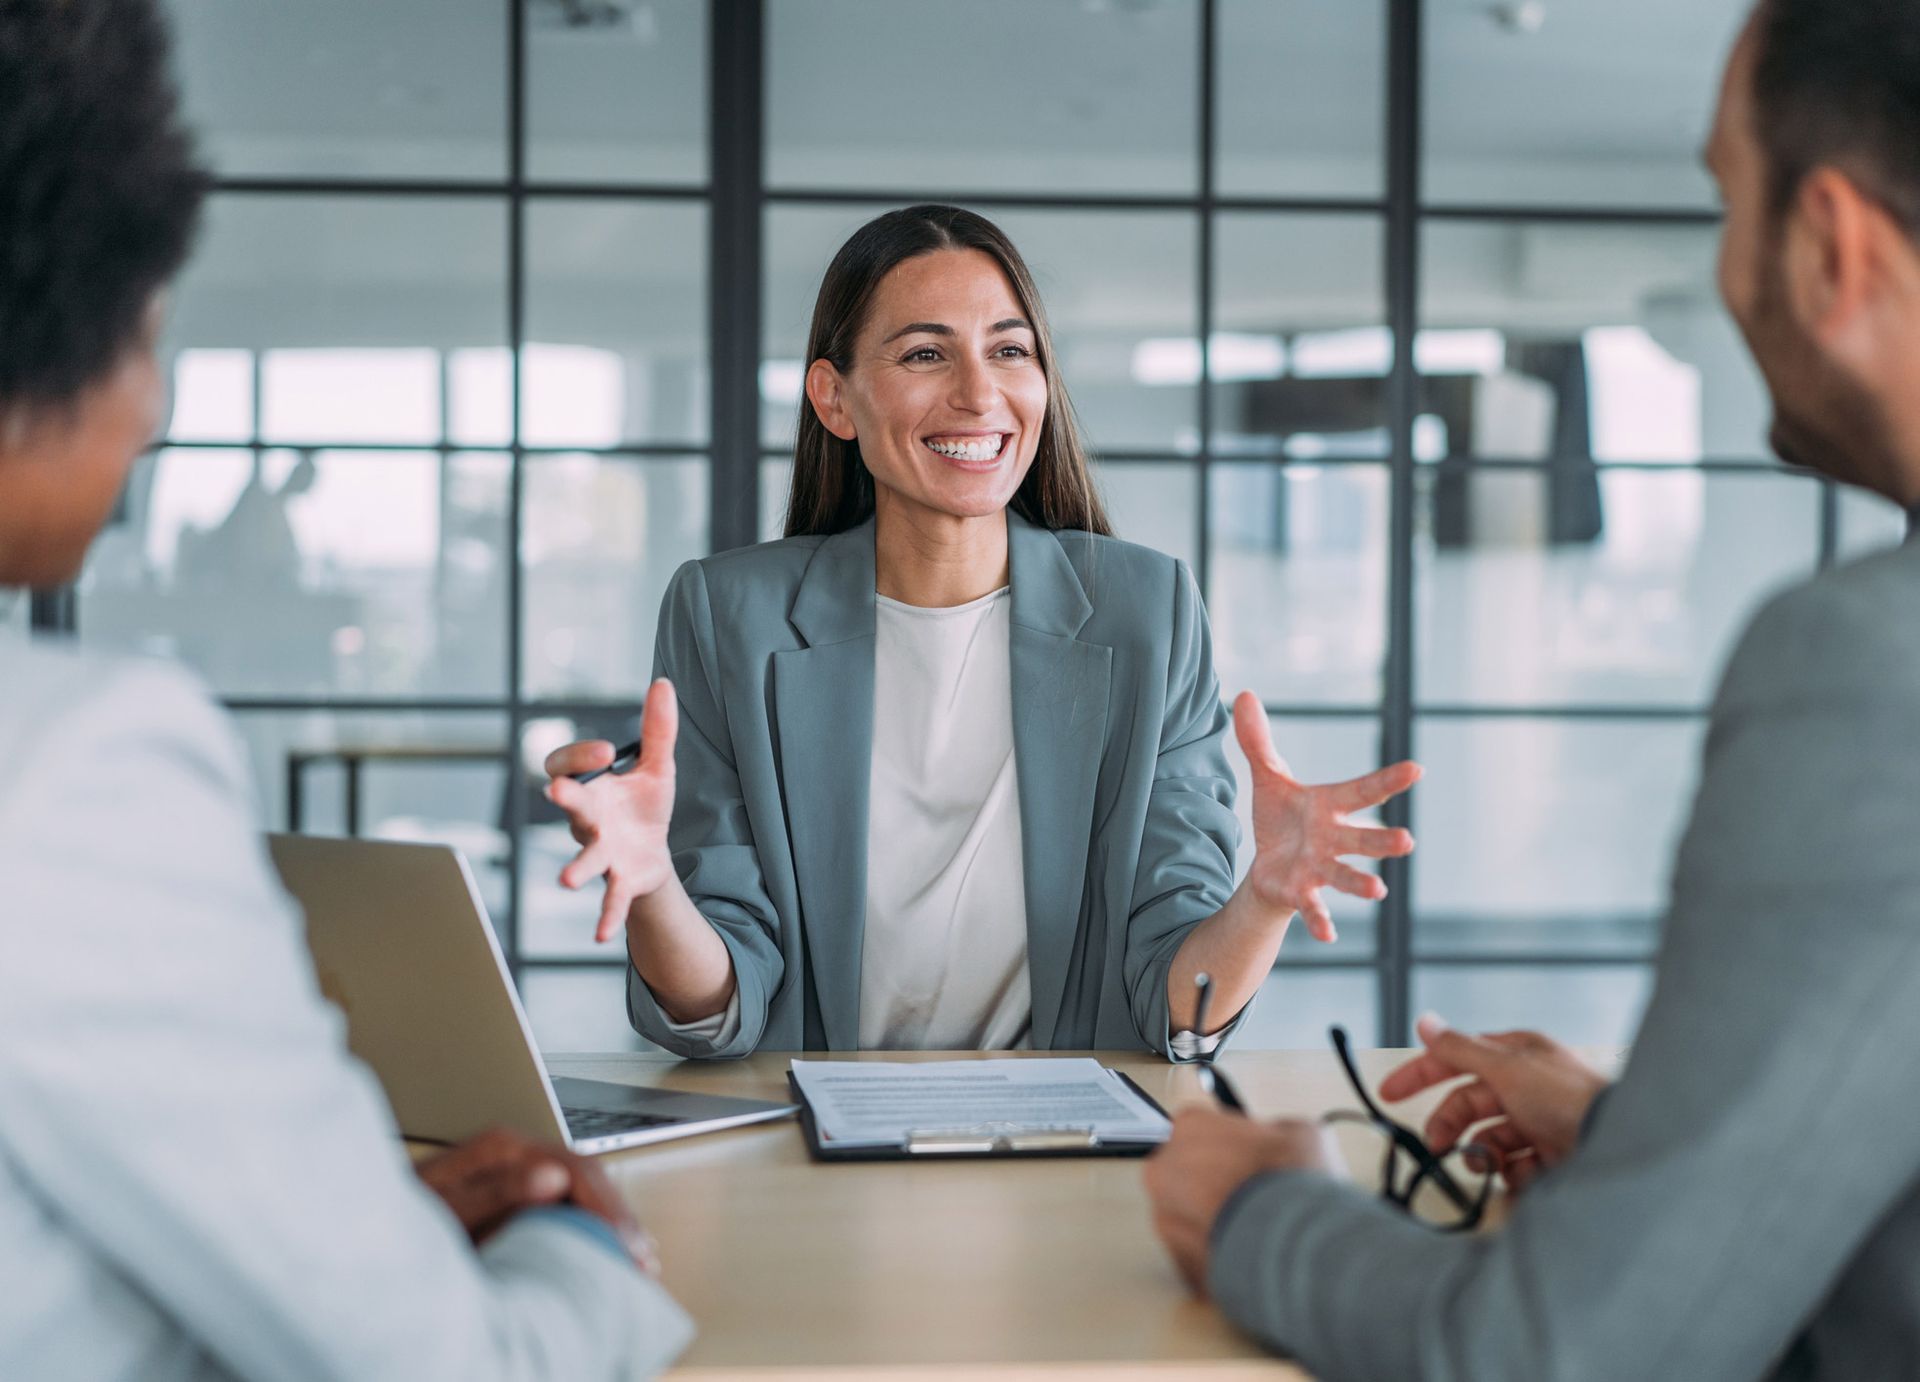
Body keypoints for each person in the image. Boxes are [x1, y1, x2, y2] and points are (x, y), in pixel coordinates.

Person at [1143, 2, 1920, 1376]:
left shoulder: (1867, 664)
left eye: (1727, 204)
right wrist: (1647, 1147)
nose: (1726, 273)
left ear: (1835, 248)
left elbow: (1559, 1351)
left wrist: (1257, 1210)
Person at [0, 4, 690, 1378]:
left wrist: (351, 1236)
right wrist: (585, 1247)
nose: (154, 406)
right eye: (155, 323)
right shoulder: (72, 766)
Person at [542, 204, 1421, 1057]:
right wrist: (655, 884)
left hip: (1063, 1149)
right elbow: (722, 1007)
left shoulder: (1146, 610)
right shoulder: (727, 613)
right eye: (926, 353)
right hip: (810, 1143)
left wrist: (1259, 901)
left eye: (1009, 350)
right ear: (834, 398)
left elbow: (1173, 1005)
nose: (978, 393)